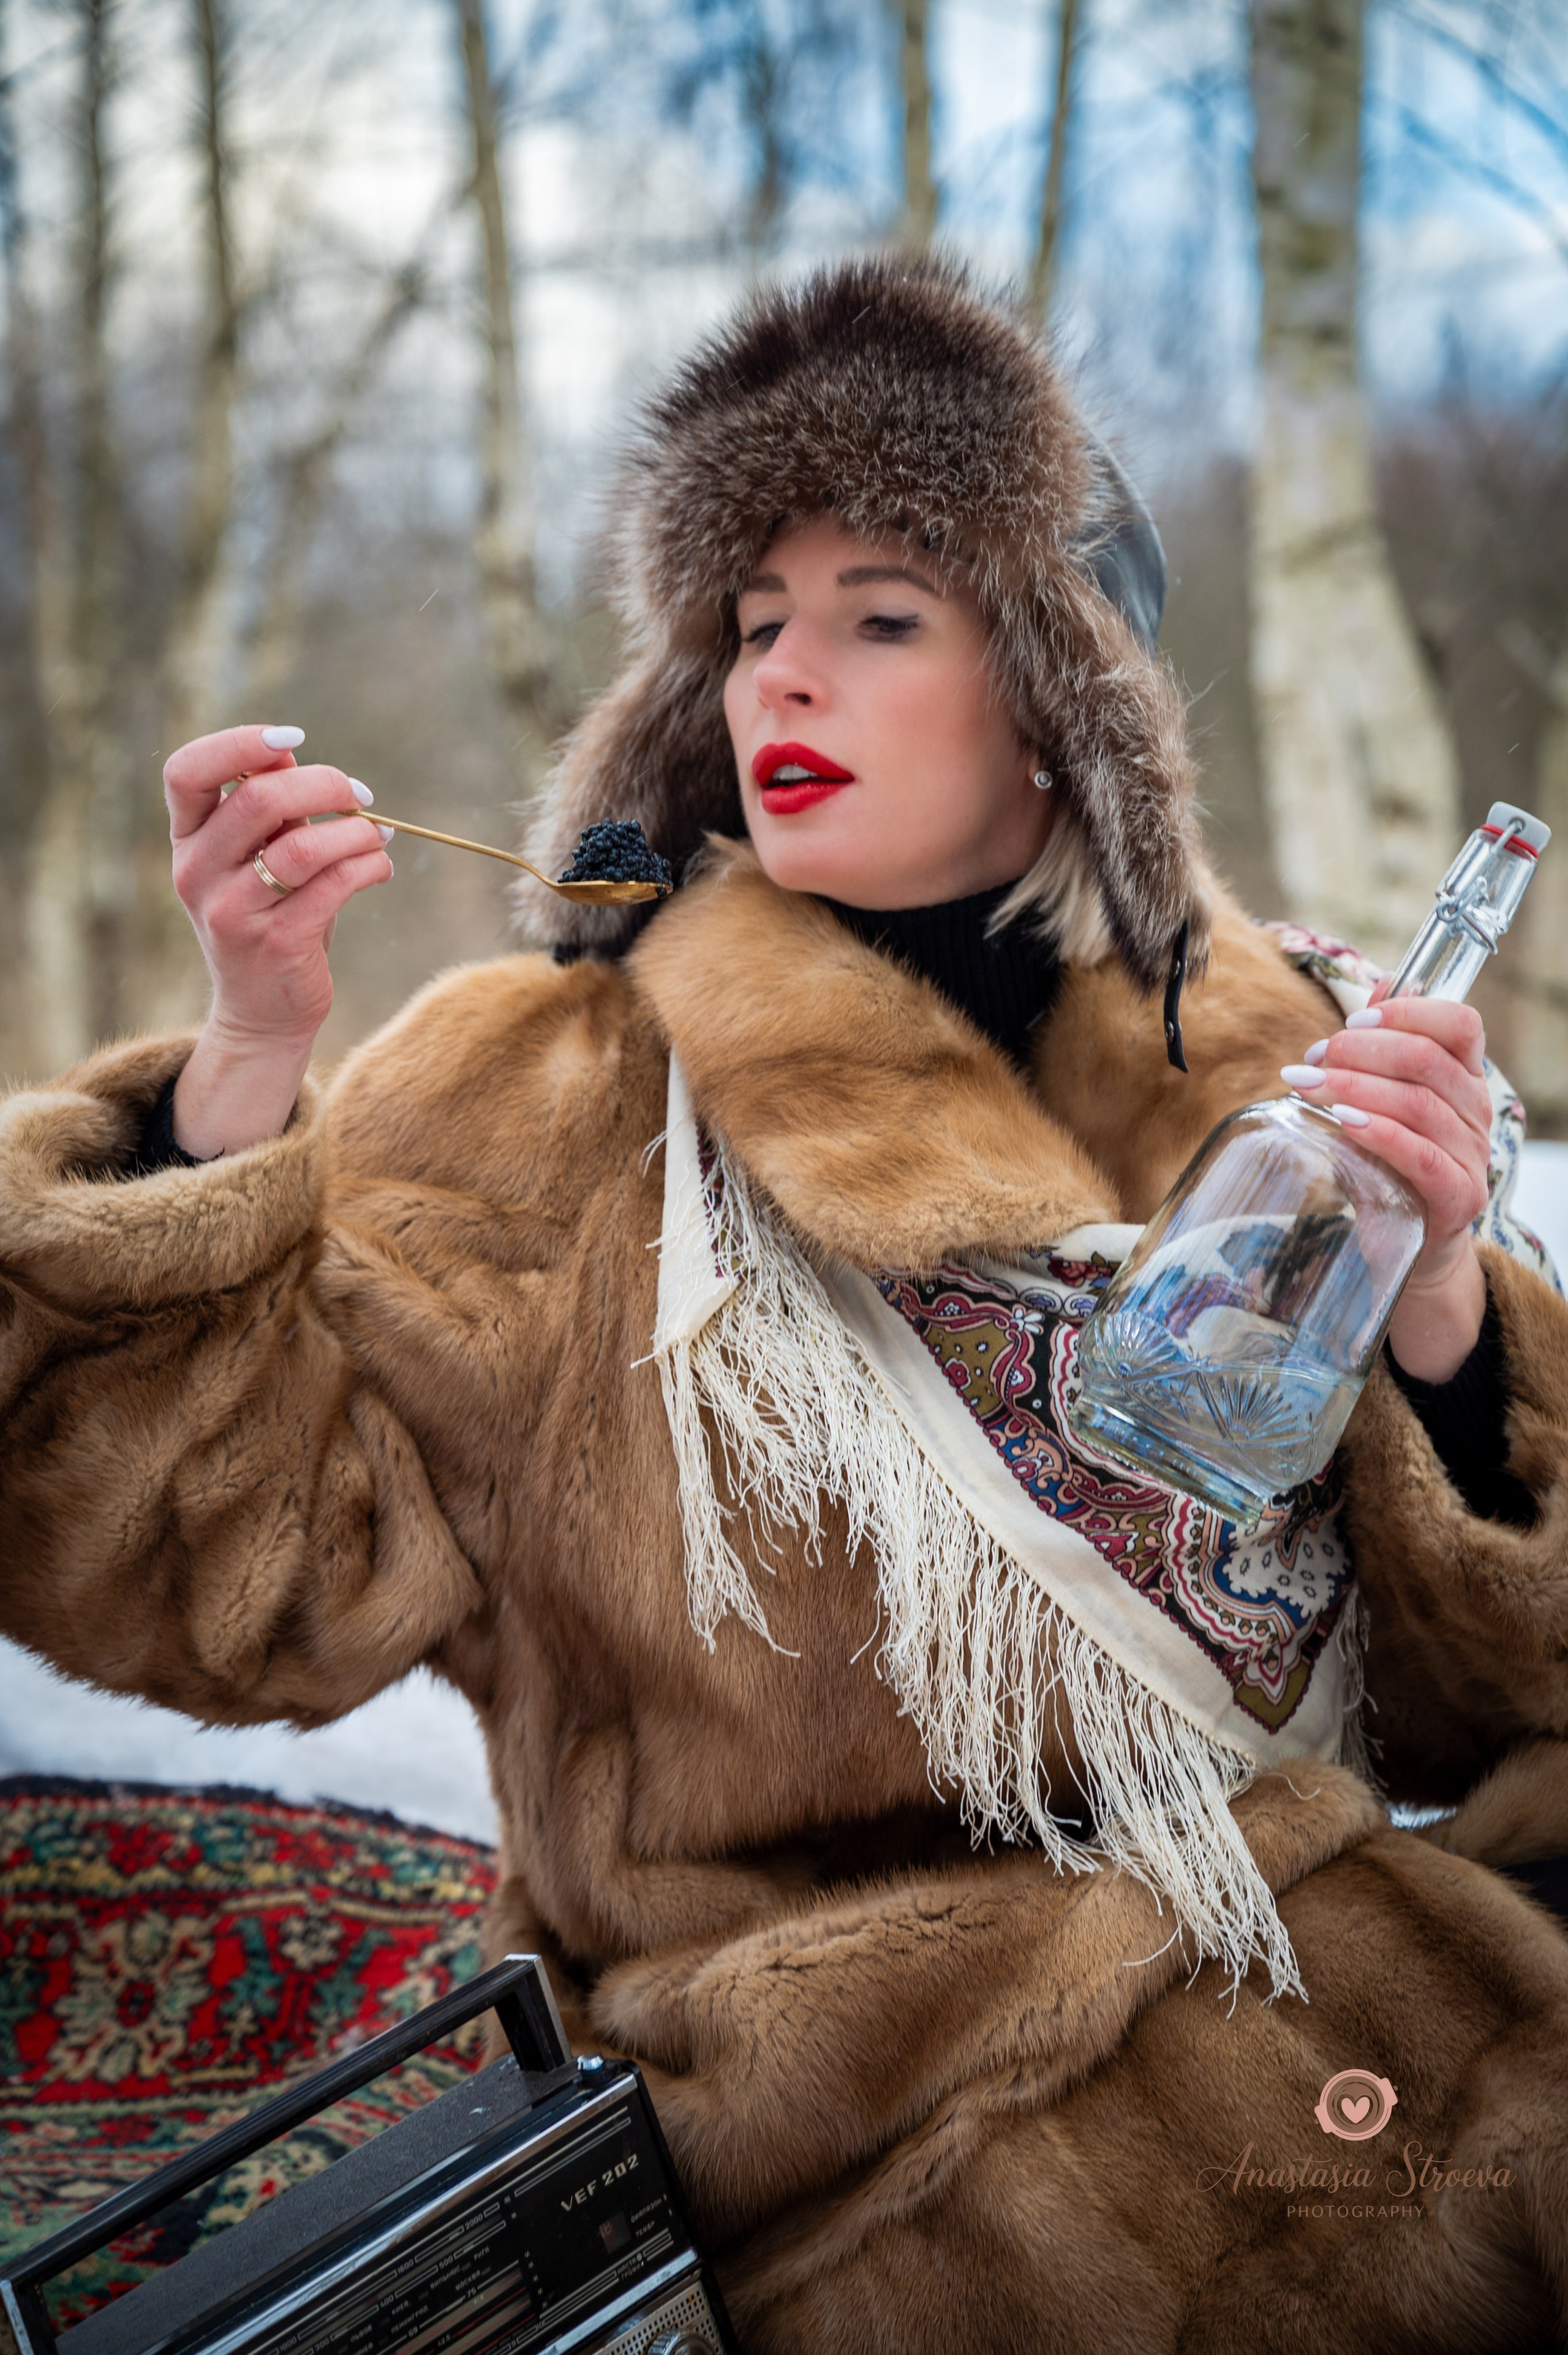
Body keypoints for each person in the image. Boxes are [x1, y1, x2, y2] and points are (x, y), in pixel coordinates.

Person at [4, 255, 1568, 2353]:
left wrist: (1451, 1304)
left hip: (1342, 1963)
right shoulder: (549, 1103)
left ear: (1059, 689)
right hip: (901, 2137)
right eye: (752, 627)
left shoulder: (1276, 1059)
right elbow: (201, 1579)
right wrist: (246, 1061)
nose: (782, 685)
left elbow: (1476, 1701)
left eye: (880, 617)